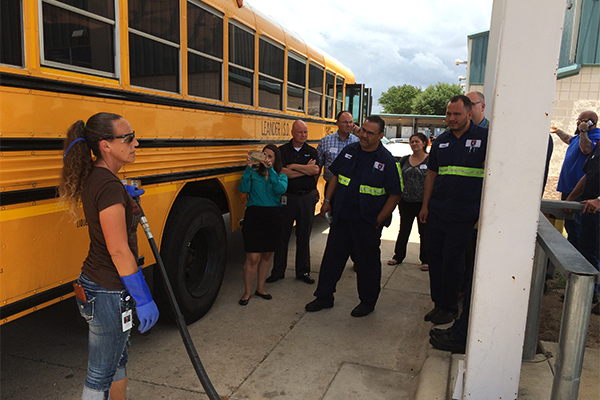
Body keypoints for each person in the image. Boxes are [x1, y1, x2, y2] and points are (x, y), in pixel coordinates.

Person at [59, 112, 159, 400]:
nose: (136, 143)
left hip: (96, 284)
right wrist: (143, 297)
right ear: (105, 145)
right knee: (100, 374)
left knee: (116, 363)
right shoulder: (107, 186)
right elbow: (118, 249)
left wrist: (124, 196)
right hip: (108, 291)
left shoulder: (100, 178)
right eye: (127, 138)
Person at [305, 115, 403, 317]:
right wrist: (327, 201)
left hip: (367, 223)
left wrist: (378, 220)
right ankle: (324, 297)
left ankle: (367, 302)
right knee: (332, 259)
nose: (364, 135)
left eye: (370, 133)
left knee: (367, 264)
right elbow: (336, 177)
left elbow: (395, 195)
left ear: (381, 136)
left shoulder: (387, 162)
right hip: (342, 218)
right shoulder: (349, 151)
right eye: (363, 130)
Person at [419, 95, 488, 333]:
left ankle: (449, 306)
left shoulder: (485, 138)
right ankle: (438, 303)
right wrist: (425, 206)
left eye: (456, 114)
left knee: (453, 261)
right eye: (448, 114)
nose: (451, 118)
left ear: (469, 113)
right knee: (434, 258)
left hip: (464, 213)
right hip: (438, 210)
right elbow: (431, 175)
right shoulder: (441, 142)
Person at [268, 120, 320, 284]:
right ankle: (277, 272)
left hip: (306, 198)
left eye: (305, 132)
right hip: (287, 197)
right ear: (292, 132)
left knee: (303, 236)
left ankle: (303, 272)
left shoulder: (312, 151)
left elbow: (315, 170)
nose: (303, 135)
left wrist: (294, 167)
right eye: (300, 132)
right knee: (282, 235)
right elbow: (281, 172)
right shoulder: (282, 151)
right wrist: (305, 170)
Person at [237, 145, 288, 305]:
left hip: (273, 217)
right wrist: (248, 168)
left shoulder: (281, 176)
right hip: (255, 216)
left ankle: (260, 288)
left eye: (270, 156)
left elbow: (280, 190)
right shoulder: (252, 173)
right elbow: (243, 188)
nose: (267, 159)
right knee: (252, 257)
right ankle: (247, 292)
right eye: (264, 155)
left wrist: (271, 171)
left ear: (276, 159)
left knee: (267, 255)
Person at [551, 111, 600, 249]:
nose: (578, 123)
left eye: (581, 121)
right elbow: (569, 139)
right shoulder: (579, 137)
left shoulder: (596, 137)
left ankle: (580, 259)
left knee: (579, 229)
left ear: (590, 122)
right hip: (567, 189)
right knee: (570, 226)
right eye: (578, 121)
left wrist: (584, 130)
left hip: (579, 192)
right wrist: (557, 131)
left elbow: (586, 149)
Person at [566, 139, 600, 315]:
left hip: (597, 207)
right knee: (586, 252)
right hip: (588, 209)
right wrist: (571, 198)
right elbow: (587, 175)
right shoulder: (598, 146)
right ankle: (587, 293)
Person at [388, 132, 429, 270]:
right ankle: (398, 256)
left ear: (424, 143)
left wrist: (428, 204)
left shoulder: (430, 161)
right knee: (404, 230)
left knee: (424, 232)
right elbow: (398, 179)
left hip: (423, 203)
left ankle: (425, 260)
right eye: (412, 141)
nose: (414, 144)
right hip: (406, 202)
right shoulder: (404, 160)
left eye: (417, 141)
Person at [317, 110, 360, 194]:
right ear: (337, 123)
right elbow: (318, 165)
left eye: (351, 122)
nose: (348, 125)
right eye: (345, 122)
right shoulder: (326, 141)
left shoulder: (358, 142)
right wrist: (314, 187)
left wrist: (360, 134)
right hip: (330, 188)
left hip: (351, 189)